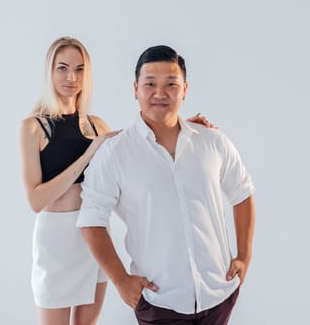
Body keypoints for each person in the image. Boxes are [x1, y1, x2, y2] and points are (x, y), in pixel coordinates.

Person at [19, 37, 216, 325]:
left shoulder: (97, 126)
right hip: (56, 238)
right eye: (62, 68)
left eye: (79, 69)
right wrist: (88, 154)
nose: (71, 77)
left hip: (92, 234)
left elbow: (135, 146)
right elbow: (36, 201)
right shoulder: (32, 127)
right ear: (49, 72)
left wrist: (181, 126)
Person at [77, 45, 256, 325]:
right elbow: (91, 219)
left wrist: (244, 255)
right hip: (159, 301)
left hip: (218, 293)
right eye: (150, 84)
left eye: (171, 84)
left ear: (184, 89)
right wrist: (121, 279)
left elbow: (242, 192)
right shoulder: (115, 154)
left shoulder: (212, 142)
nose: (160, 93)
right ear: (136, 88)